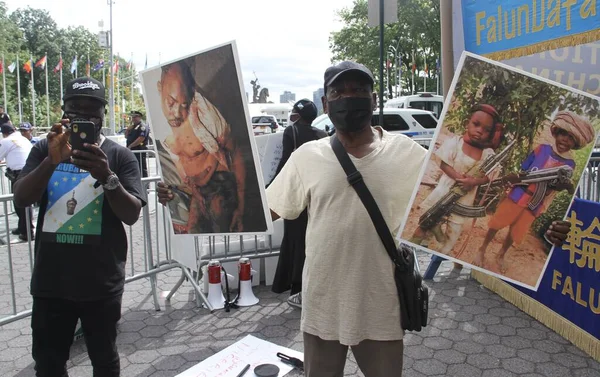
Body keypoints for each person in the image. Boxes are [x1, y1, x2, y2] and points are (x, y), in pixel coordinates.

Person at [158, 62, 572, 376]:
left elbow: (479, 207)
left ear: (373, 99)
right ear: (325, 103)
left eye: (360, 90)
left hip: (381, 305)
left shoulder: (411, 157)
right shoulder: (308, 157)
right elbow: (258, 212)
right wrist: (180, 198)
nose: (350, 98)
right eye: (340, 92)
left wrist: (543, 233)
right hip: (322, 305)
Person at [13, 77, 146, 377]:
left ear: (102, 116)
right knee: (48, 365)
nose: (82, 118)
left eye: (91, 111)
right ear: (64, 113)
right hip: (52, 283)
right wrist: (51, 160)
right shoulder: (44, 150)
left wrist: (107, 176)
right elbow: (22, 198)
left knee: (105, 362)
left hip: (100, 284)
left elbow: (131, 214)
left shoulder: (118, 156)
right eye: (75, 110)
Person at [476, 110, 594, 270]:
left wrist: (563, 185)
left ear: (575, 143)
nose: (565, 140)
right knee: (498, 222)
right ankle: (482, 249)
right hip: (518, 195)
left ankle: (501, 254)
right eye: (563, 134)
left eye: (571, 138)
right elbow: (524, 170)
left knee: (516, 231)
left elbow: (558, 187)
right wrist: (512, 179)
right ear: (556, 133)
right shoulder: (542, 149)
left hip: (536, 203)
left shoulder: (569, 165)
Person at [157, 61, 247, 232]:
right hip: (192, 195)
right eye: (171, 102)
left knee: (223, 240)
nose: (176, 112)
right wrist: (165, 191)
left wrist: (240, 208)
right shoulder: (158, 130)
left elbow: (235, 153)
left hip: (220, 192)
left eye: (184, 104)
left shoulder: (203, 113)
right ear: (159, 89)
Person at [409, 104, 503, 254]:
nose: (480, 131)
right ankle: (412, 251)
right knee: (426, 223)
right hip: (443, 192)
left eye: (486, 130)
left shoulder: (487, 154)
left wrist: (474, 182)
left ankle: (438, 256)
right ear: (467, 122)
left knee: (453, 232)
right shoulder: (455, 143)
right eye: (476, 124)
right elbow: (444, 164)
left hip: (464, 201)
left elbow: (490, 176)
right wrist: (461, 179)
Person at [270, 99, 327, 308]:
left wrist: (271, 187)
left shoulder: (290, 132)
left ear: (297, 115)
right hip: (316, 195)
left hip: (295, 193)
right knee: (312, 240)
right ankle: (311, 287)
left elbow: (285, 162)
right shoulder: (322, 135)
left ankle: (297, 290)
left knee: (294, 240)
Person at [0, 123, 34, 240]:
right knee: (21, 202)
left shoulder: (6, 141)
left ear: (4, 133)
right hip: (28, 172)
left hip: (19, 174)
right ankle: (23, 227)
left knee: (21, 203)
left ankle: (27, 232)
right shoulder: (23, 139)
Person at [125, 111, 149, 177]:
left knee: (141, 168)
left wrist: (131, 146)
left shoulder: (142, 126)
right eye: (132, 117)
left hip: (139, 150)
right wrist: (127, 130)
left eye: (135, 117)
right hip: (132, 151)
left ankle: (145, 186)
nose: (133, 119)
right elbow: (126, 137)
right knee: (134, 168)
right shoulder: (133, 127)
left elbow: (141, 138)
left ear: (139, 117)